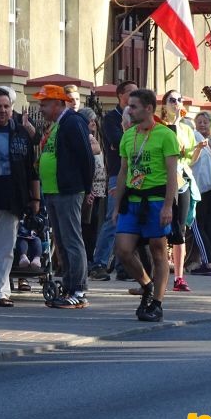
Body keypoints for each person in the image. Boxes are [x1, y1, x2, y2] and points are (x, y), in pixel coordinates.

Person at [112, 88, 178, 322]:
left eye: (133, 106)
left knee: (158, 250)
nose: (129, 110)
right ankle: (147, 285)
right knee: (123, 249)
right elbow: (123, 172)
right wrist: (117, 206)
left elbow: (172, 174)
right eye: (128, 106)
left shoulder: (165, 135)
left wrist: (168, 206)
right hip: (133, 199)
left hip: (156, 200)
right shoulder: (128, 135)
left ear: (148, 108)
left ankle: (157, 303)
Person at [36, 84, 94, 309]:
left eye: (45, 104)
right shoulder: (57, 124)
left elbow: (86, 156)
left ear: (58, 103)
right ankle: (70, 287)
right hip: (54, 190)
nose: (41, 108)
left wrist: (87, 188)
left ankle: (78, 290)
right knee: (61, 242)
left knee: (71, 240)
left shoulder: (72, 122)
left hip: (68, 191)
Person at [0, 87, 40, 307]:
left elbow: (31, 168)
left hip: (14, 197)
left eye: (6, 106)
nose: (2, 111)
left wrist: (35, 199)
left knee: (6, 248)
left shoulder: (20, 133)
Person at [91, 80, 136, 280]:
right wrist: (128, 140)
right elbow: (118, 142)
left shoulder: (138, 116)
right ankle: (99, 263)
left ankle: (123, 265)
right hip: (117, 174)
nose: (135, 96)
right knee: (113, 218)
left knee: (130, 220)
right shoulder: (110, 118)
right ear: (120, 95)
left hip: (137, 175)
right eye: (131, 92)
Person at [159, 89, 199, 293]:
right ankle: (159, 274)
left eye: (179, 100)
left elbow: (190, 159)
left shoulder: (186, 130)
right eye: (172, 100)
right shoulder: (159, 127)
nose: (176, 103)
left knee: (180, 229)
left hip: (181, 180)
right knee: (160, 228)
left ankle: (179, 277)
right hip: (162, 180)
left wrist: (198, 149)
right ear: (164, 105)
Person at [187, 111, 211, 275]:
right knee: (207, 224)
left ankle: (207, 262)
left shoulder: (193, 137)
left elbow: (190, 160)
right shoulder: (200, 139)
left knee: (197, 223)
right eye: (198, 121)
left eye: (205, 122)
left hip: (201, 186)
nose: (201, 124)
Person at [78, 106, 106, 275]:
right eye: (90, 120)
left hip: (98, 188)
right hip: (90, 188)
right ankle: (86, 258)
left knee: (93, 223)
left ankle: (89, 256)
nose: (94, 123)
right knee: (86, 225)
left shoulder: (94, 137)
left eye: (94, 120)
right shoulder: (85, 138)